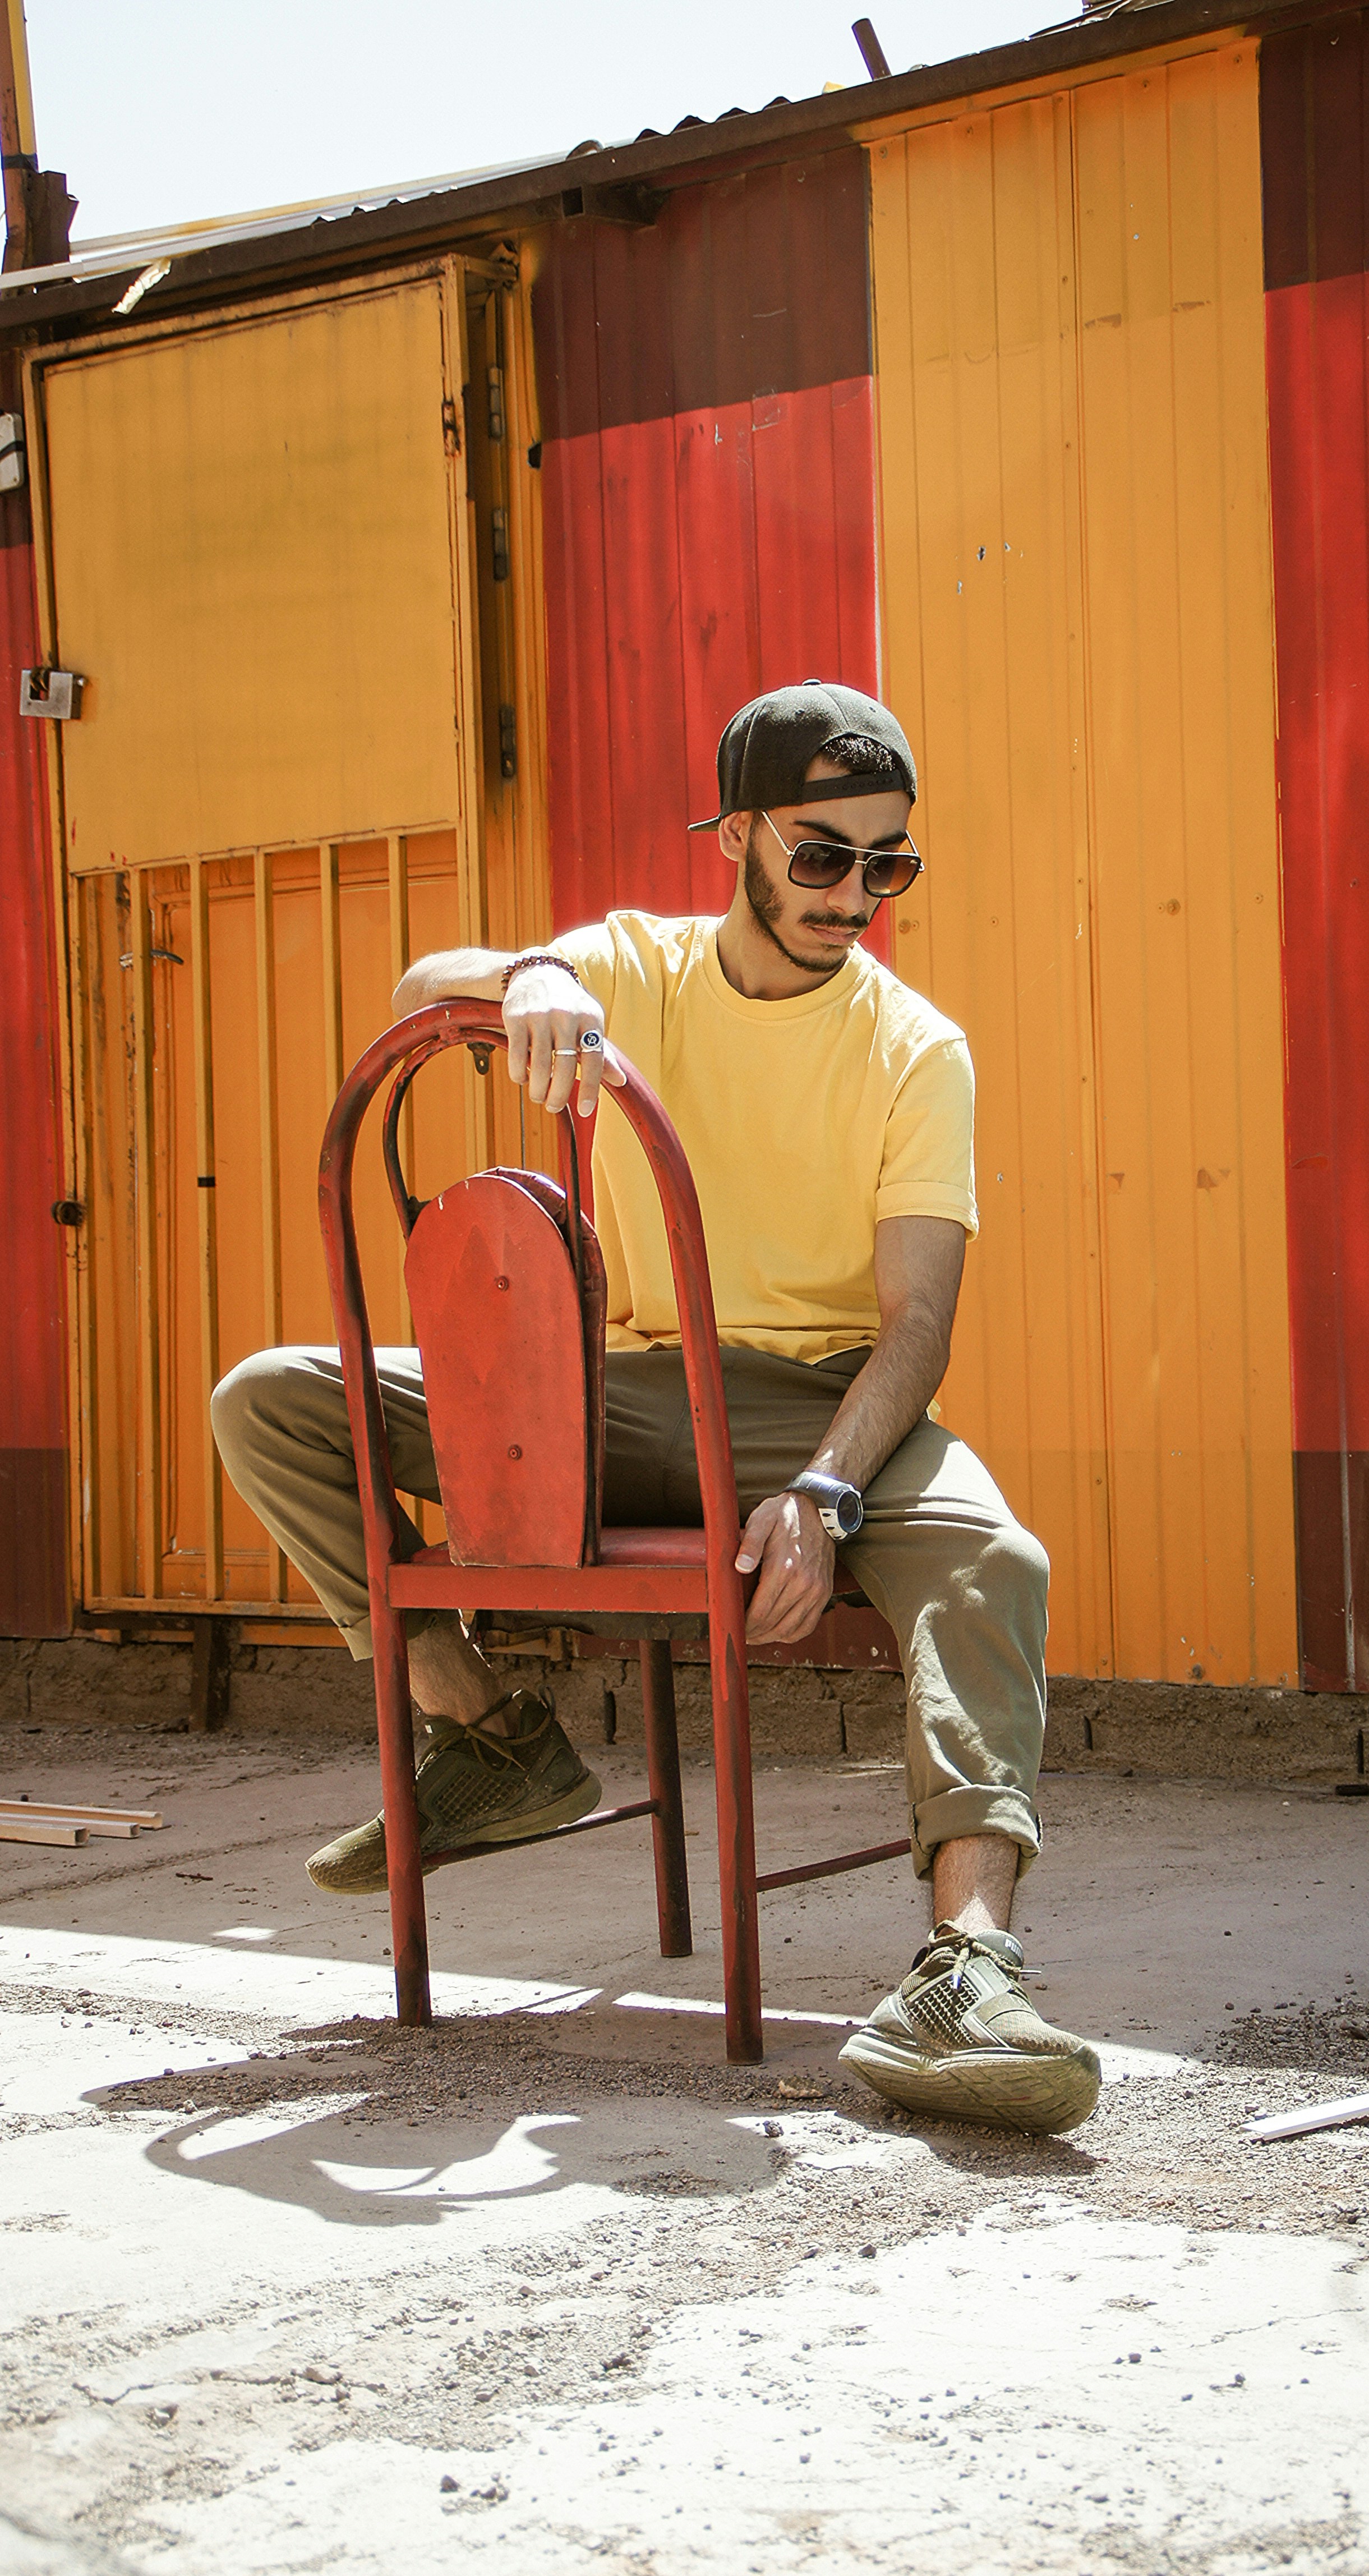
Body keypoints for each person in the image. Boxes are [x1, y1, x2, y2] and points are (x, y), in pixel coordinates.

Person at [212, 681, 1101, 2136]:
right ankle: (493, 1739)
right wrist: (530, 978)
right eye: (823, 856)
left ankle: (969, 1971)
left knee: (995, 1559)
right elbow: (413, 989)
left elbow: (916, 1324)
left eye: (891, 866)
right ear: (738, 837)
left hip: (822, 1409)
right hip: (624, 1399)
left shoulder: (915, 1048)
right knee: (273, 1402)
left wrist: (824, 1495)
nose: (855, 896)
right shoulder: (637, 964)